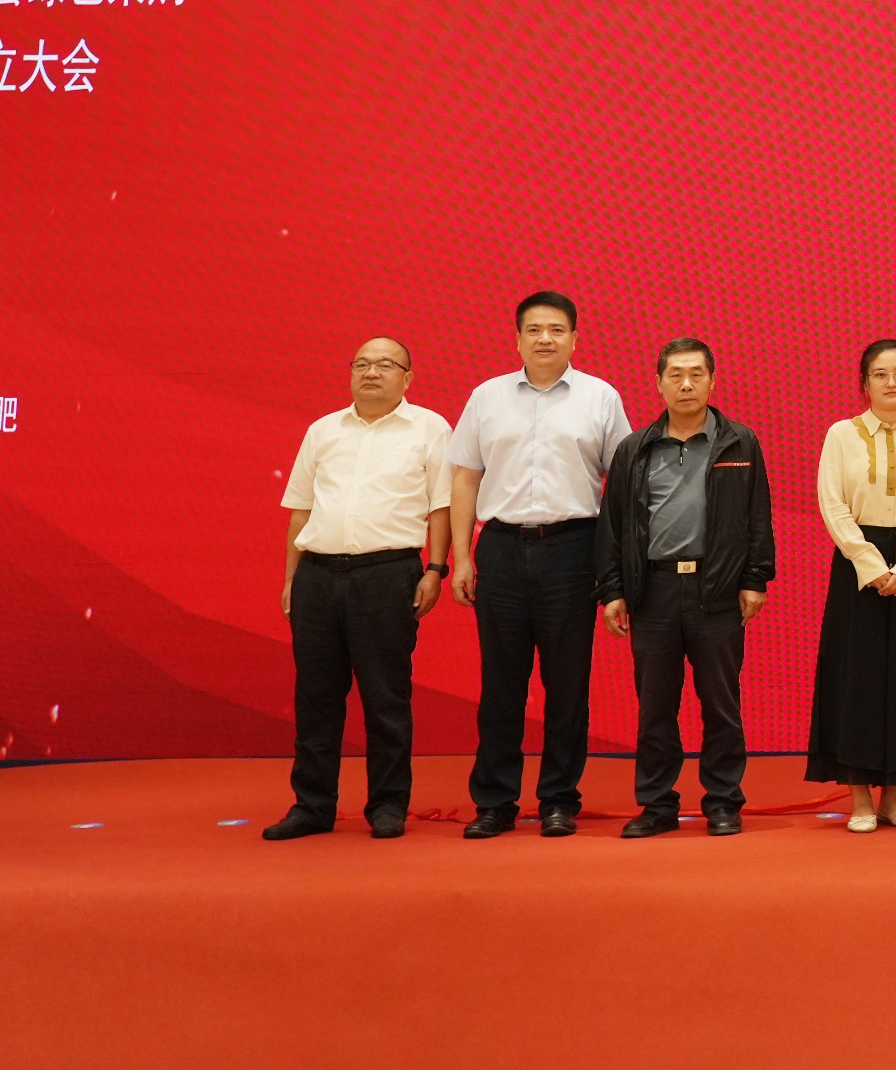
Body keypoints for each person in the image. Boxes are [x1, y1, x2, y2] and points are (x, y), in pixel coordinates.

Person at [447, 291, 632, 839]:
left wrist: (613, 568)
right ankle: (495, 801)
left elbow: (622, 485)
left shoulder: (600, 397)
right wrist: (462, 556)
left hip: (573, 549)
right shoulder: (487, 396)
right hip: (501, 547)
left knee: (567, 684)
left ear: (575, 338)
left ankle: (559, 799)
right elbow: (465, 478)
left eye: (556, 329)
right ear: (517, 338)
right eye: (533, 329)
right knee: (500, 683)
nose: (544, 338)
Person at [263, 339, 453, 840]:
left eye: (385, 364)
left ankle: (388, 804)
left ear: (407, 378)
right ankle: (312, 806)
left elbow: (441, 506)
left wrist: (436, 569)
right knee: (315, 697)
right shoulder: (323, 430)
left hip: (387, 575)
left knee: (385, 695)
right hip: (317, 576)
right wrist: (291, 579)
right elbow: (301, 509)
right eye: (362, 364)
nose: (371, 372)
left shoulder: (430, 428)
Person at [595, 339, 774, 838]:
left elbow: (758, 515)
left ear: (713, 381)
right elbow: (613, 525)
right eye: (675, 375)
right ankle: (657, 805)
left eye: (696, 374)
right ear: (658, 383)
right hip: (653, 592)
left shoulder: (740, 442)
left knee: (721, 704)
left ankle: (723, 802)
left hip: (717, 591)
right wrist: (612, 590)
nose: (687, 384)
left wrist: (755, 578)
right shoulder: (634, 448)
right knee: (656, 707)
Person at [808, 340, 896, 832]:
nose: (891, 382)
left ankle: (893, 798)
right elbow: (832, 504)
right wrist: (869, 565)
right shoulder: (841, 434)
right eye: (879, 374)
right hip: (856, 568)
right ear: (864, 383)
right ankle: (860, 801)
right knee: (857, 678)